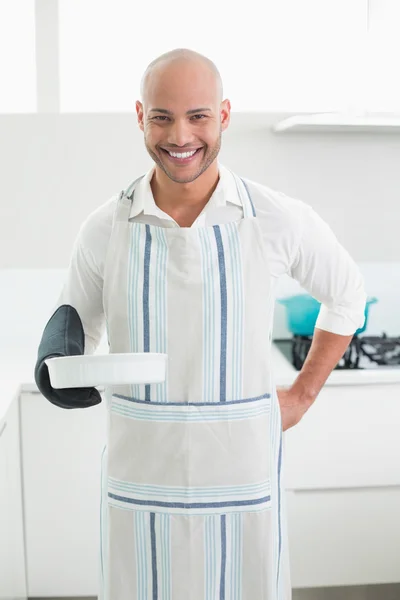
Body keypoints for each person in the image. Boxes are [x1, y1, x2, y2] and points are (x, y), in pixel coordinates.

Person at [34, 48, 367, 600]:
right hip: (141, 483)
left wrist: (303, 395)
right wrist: (58, 365)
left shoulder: (275, 218)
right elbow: (77, 331)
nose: (180, 135)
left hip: (242, 483)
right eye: (162, 116)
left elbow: (347, 295)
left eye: (198, 116)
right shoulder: (104, 228)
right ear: (141, 117)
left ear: (225, 115)